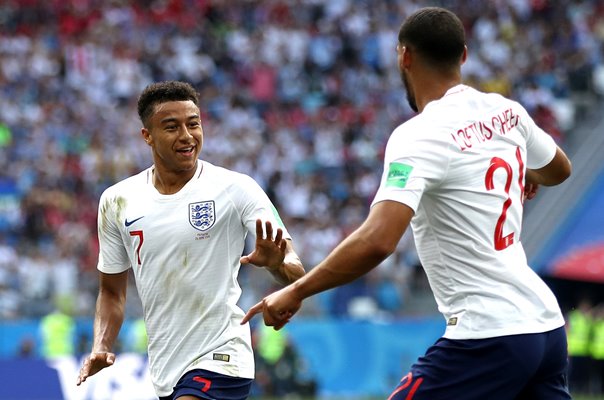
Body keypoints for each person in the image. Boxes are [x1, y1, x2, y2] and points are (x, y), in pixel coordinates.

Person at [243, 7, 573, 400]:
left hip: (487, 334)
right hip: (545, 328)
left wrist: (298, 291)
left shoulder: (419, 135)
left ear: (404, 56)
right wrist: (524, 173)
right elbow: (559, 169)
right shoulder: (506, 111)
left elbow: (378, 240)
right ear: (464, 56)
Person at [76, 80, 305, 400]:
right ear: (147, 136)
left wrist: (279, 263)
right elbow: (112, 292)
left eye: (193, 124)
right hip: (167, 368)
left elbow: (297, 271)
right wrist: (102, 345)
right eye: (171, 127)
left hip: (223, 356)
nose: (186, 136)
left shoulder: (236, 188)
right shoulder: (117, 201)